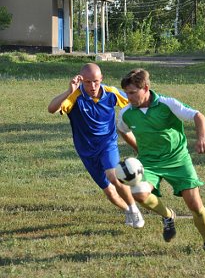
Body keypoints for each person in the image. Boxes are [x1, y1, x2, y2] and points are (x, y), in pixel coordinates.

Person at [117, 68, 205, 255]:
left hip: (178, 160)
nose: (128, 97)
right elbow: (122, 129)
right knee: (139, 193)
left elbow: (198, 116)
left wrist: (202, 137)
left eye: (132, 93)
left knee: (195, 206)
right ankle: (168, 216)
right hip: (149, 163)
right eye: (126, 93)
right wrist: (137, 148)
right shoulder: (126, 113)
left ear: (145, 88)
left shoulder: (167, 104)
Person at [48, 63, 144, 228]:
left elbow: (133, 100)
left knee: (113, 176)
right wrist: (69, 91)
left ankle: (134, 210)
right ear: (80, 80)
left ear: (102, 79)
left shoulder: (111, 93)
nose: (92, 86)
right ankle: (128, 210)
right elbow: (51, 109)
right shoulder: (74, 96)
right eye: (87, 82)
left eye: (96, 81)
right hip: (86, 151)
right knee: (109, 193)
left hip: (107, 143)